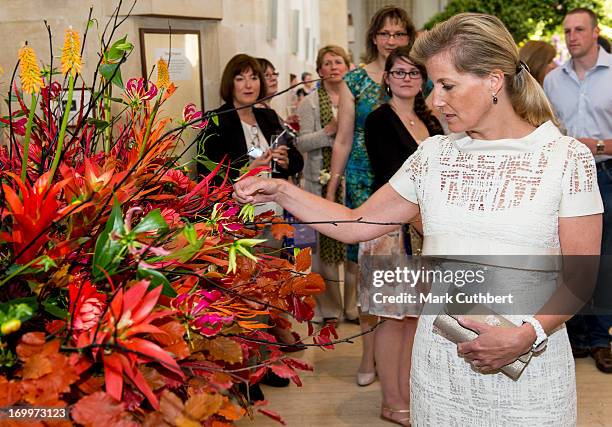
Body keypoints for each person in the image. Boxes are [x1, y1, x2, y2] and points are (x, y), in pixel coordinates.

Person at [234, 12, 603, 426]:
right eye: (433, 86)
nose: (435, 100)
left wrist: (526, 335)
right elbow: (357, 223)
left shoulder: (564, 158)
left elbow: (580, 278)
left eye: (447, 85)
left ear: (494, 81)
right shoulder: (433, 157)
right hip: (440, 371)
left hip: (531, 372)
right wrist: (282, 190)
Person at [324, 5, 415, 388]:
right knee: (368, 277)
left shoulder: (416, 77)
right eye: (384, 34)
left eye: (398, 34)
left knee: (406, 275)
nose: (391, 41)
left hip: (408, 183)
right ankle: (368, 352)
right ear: (373, 38)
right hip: (366, 183)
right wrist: (333, 186)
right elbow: (343, 138)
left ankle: (400, 356)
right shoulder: (355, 80)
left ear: (408, 38)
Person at [363, 45, 443, 425]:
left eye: (414, 72)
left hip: (427, 227)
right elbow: (392, 171)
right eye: (399, 72)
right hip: (390, 227)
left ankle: (409, 395)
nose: (407, 78)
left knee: (414, 319)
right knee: (389, 318)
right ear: (387, 78)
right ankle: (392, 401)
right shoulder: (379, 119)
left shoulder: (434, 117)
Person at [544, 7, 612, 374]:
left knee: (605, 259)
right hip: (567, 177)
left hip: (608, 174)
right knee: (572, 257)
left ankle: (602, 339)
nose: (572, 36)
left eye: (579, 29)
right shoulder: (553, 80)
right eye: (567, 30)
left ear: (595, 31)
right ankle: (576, 336)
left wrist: (597, 146)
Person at [296, 45, 357, 326]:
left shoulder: (356, 96)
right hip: (317, 182)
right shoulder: (308, 103)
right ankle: (330, 307)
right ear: (320, 71)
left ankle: (354, 307)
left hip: (352, 178)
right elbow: (301, 143)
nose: (333, 67)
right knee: (324, 248)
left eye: (338, 62)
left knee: (353, 246)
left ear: (348, 66)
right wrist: (328, 132)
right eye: (327, 63)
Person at [197, 54, 303, 182]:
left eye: (254, 78)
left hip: (275, 197)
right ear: (230, 84)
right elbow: (206, 176)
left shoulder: (269, 116)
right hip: (239, 200)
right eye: (240, 79)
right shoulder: (215, 121)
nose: (248, 85)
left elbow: (297, 160)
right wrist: (247, 172)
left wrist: (286, 162)